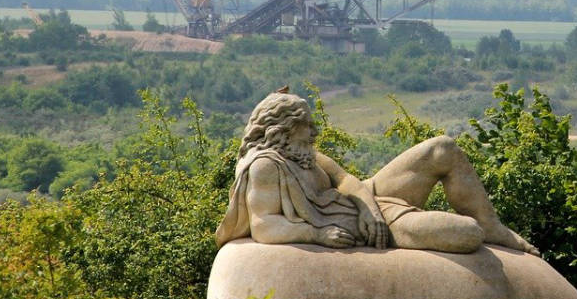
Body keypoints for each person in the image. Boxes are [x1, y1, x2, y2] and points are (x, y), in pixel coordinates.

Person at [215, 88, 538, 256]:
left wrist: (370, 208)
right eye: (307, 125)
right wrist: (317, 235)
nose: (315, 131)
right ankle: (478, 228)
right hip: (351, 224)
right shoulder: (266, 166)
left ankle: (493, 225)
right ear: (283, 127)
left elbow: (344, 179)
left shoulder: (301, 153)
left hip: (369, 204)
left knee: (443, 148)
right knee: (466, 234)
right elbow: (264, 226)